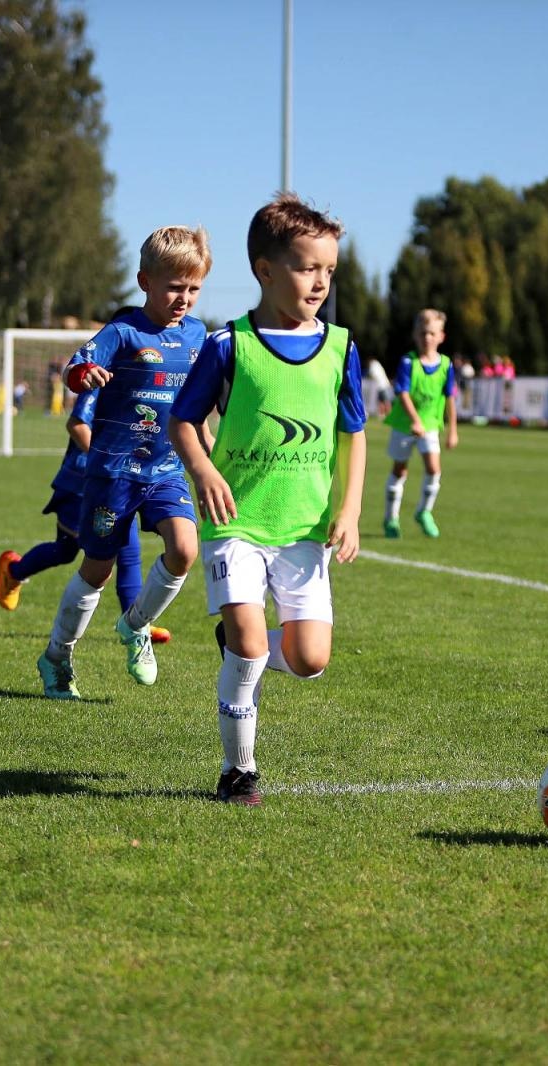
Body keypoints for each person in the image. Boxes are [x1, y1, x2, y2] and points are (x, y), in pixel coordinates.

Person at [168, 193, 367, 806]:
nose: (321, 282)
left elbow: (354, 432)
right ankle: (239, 772)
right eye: (309, 268)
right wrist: (201, 468)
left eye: (329, 270)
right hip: (237, 523)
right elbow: (182, 419)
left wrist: (351, 508)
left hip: (303, 528)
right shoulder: (231, 345)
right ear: (266, 269)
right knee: (254, 647)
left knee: (309, 659)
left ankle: (236, 641)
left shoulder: (341, 348)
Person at [35, 225, 211, 701]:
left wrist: (208, 456)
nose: (185, 298)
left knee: (184, 549)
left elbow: (197, 404)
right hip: (113, 473)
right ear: (145, 281)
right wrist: (83, 373)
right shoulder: (122, 332)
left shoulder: (198, 335)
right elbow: (76, 368)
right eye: (175, 286)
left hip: (166, 469)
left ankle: (136, 626)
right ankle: (56, 657)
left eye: (194, 288)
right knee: (97, 569)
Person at [0, 384, 170, 645]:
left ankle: (135, 624)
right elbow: (77, 425)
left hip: (119, 482)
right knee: (68, 551)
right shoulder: (103, 376)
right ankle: (13, 570)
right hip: (84, 483)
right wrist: (107, 461)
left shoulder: (141, 379)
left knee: (128, 552)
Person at [383, 308, 458, 538]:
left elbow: (449, 398)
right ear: (416, 335)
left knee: (434, 469)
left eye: (432, 333)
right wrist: (415, 420)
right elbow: (402, 393)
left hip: (430, 426)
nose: (428, 338)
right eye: (423, 333)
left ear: (441, 336)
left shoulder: (446, 365)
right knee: (400, 470)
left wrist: (453, 430)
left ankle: (424, 512)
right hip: (406, 426)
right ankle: (391, 519)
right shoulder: (408, 362)